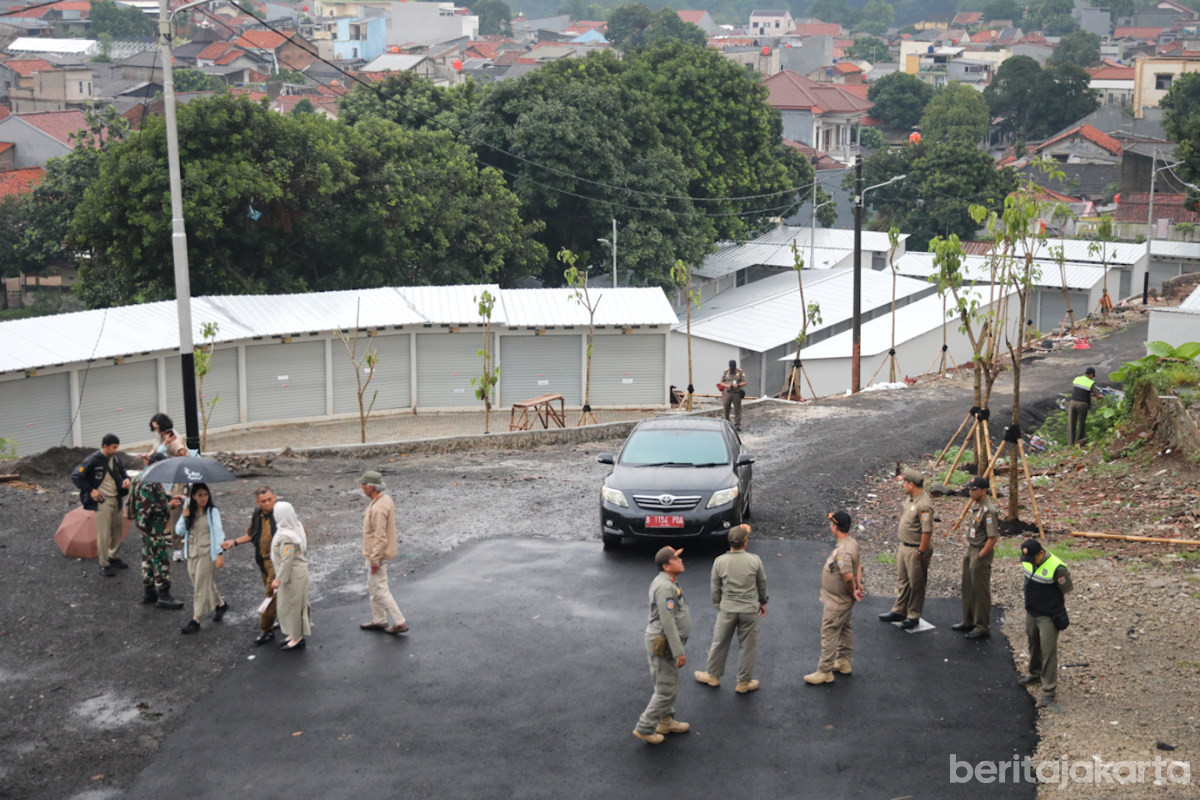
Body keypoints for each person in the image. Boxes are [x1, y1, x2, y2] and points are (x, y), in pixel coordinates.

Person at [693, 524, 767, 694]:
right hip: (749, 608)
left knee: (719, 642)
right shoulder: (754, 560)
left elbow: (715, 587)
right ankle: (743, 682)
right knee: (748, 645)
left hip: (728, 608)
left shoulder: (720, 561)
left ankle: (712, 675)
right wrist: (762, 602)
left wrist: (718, 604)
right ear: (745, 542)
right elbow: (761, 584)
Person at [633, 546, 691, 745]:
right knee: (666, 690)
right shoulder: (665, 587)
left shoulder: (667, 581)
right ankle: (645, 727)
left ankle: (666, 721)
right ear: (666, 566)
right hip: (663, 642)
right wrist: (679, 652)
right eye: (676, 559)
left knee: (664, 683)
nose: (681, 561)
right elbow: (668, 621)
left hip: (662, 640)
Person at [804, 510, 864, 685]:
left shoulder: (843, 552)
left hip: (837, 601)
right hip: (842, 600)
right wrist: (859, 585)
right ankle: (844, 661)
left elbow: (847, 577)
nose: (830, 526)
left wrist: (853, 589)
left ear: (836, 527)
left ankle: (824, 671)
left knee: (829, 632)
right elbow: (858, 565)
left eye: (832, 523)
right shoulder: (852, 543)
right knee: (844, 628)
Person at [221, 487, 280, 645]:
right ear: (257, 502)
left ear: (275, 497)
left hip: (277, 562)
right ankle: (283, 620)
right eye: (263, 501)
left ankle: (266, 629)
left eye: (270, 499)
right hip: (262, 560)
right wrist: (233, 542)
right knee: (276, 595)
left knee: (271, 594)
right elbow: (251, 534)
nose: (267, 503)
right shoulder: (257, 515)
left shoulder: (282, 513)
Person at [1019, 539, 1073, 709]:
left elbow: (1067, 588)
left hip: (1048, 616)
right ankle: (1034, 674)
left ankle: (1049, 690)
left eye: (1032, 558)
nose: (1028, 562)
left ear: (1041, 553)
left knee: (1048, 651)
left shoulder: (1057, 568)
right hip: (1032, 612)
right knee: (1033, 644)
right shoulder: (1029, 563)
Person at [879, 468, 933, 630]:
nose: (903, 485)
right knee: (903, 581)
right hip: (905, 546)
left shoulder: (924, 505)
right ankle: (899, 610)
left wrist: (921, 550)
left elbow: (927, 531)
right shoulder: (911, 498)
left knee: (916, 583)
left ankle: (913, 615)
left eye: (905, 482)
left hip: (915, 548)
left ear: (911, 484)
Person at [71, 433, 132, 577]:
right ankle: (103, 563)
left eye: (117, 447)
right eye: (113, 447)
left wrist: (126, 479)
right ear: (105, 446)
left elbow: (122, 471)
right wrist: (91, 490)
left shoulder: (116, 458)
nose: (116, 450)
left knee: (118, 530)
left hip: (117, 499)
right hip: (102, 501)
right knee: (104, 534)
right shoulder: (92, 460)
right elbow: (76, 477)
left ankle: (114, 556)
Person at [129, 453, 184, 609]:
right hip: (152, 526)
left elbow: (152, 498)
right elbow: (150, 507)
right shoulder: (148, 481)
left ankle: (149, 591)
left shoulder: (143, 476)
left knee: (148, 556)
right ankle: (164, 594)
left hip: (145, 525)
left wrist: (169, 498)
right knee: (160, 557)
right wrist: (169, 505)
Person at [358, 470, 408, 635]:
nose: (361, 488)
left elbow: (380, 537)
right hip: (376, 553)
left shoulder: (378, 508)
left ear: (371, 487)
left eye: (363, 485)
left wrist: (374, 560)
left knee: (380, 589)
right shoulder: (384, 500)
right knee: (374, 587)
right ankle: (379, 619)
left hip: (377, 555)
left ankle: (399, 621)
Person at [177, 483, 228, 635]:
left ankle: (196, 619)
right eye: (199, 495)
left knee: (200, 586)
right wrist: (184, 517)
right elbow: (179, 531)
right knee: (201, 582)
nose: (203, 498)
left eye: (205, 494)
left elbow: (219, 533)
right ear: (193, 496)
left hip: (207, 553)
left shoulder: (212, 512)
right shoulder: (188, 511)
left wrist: (220, 553)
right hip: (192, 553)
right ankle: (220, 604)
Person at [952, 476, 998, 639]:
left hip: (980, 550)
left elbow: (993, 538)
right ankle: (968, 620)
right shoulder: (976, 506)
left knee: (980, 590)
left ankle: (981, 625)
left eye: (975, 489)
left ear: (983, 491)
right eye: (970, 489)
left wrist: (981, 555)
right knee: (968, 587)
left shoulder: (989, 510)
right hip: (971, 548)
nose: (971, 492)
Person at [271, 501, 311, 651]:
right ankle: (292, 634)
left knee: (293, 606)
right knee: (289, 605)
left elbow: (287, 560)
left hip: (293, 576)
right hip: (294, 574)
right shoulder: (295, 527)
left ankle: (297, 637)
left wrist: (278, 579)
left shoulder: (286, 537)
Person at [1067, 367, 1102, 446]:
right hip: (1082, 404)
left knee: (1071, 423)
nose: (1093, 377)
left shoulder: (1077, 379)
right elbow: (1098, 395)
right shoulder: (1090, 382)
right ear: (1091, 374)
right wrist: (1100, 396)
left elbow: (1079, 390)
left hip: (1072, 402)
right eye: (1093, 375)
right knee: (1081, 423)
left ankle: (1070, 444)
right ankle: (1080, 441)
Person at [720, 360, 748, 431]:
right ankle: (726, 423)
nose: (732, 368)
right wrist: (727, 385)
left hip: (736, 393)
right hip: (728, 392)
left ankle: (737, 425)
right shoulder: (726, 372)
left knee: (737, 409)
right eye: (731, 366)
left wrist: (738, 385)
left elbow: (745, 382)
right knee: (726, 407)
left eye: (733, 366)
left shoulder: (740, 372)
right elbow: (721, 382)